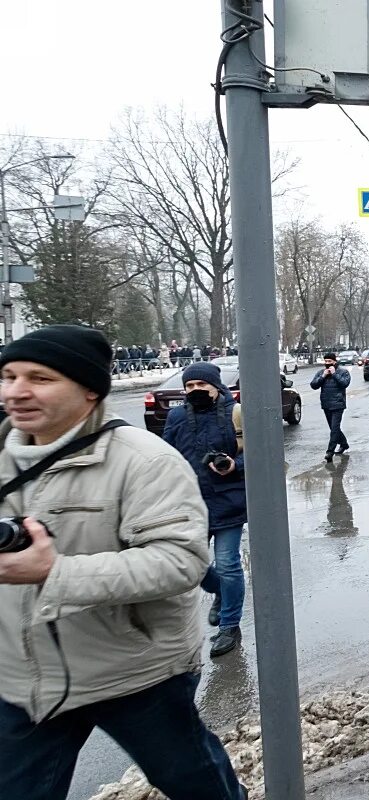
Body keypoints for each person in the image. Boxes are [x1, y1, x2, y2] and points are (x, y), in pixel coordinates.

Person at [0, 326, 245, 799]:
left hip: (133, 672)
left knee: (196, 783)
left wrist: (55, 572)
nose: (17, 390)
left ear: (90, 388)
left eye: (40, 378)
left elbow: (179, 562)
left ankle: (228, 620)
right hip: (25, 680)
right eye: (9, 375)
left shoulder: (144, 461)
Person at [162, 361, 247, 659]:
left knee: (227, 564)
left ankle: (229, 625)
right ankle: (221, 592)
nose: (195, 390)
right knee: (191, 564)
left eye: (201, 385)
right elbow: (165, 456)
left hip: (229, 500)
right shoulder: (176, 416)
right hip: (190, 504)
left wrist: (236, 466)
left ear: (216, 386)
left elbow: (262, 453)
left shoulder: (235, 413)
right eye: (190, 386)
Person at [312, 351, 352, 463]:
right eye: (326, 361)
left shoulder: (343, 372)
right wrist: (323, 376)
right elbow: (313, 385)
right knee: (334, 429)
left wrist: (334, 374)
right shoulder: (321, 372)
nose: (327, 363)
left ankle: (329, 452)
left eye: (330, 361)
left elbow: (345, 383)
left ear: (335, 361)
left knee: (334, 429)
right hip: (326, 404)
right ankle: (344, 444)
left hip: (338, 404)